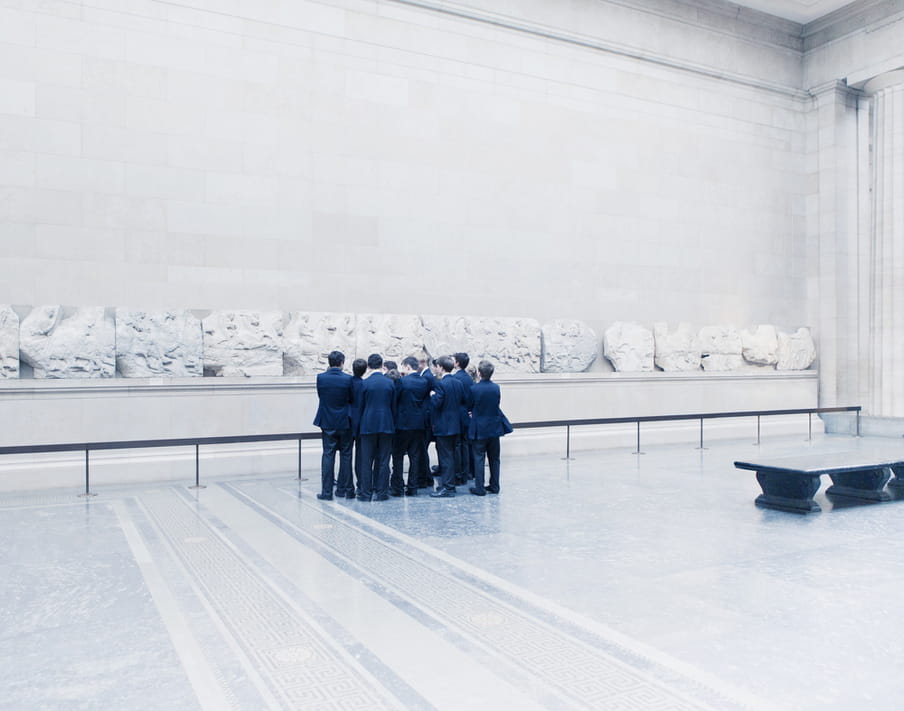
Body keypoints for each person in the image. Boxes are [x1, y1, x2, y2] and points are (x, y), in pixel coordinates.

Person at [312, 350, 354, 501]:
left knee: (328, 455)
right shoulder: (348, 379)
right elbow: (351, 399)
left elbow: (321, 396)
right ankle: (344, 489)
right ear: (342, 363)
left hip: (327, 421)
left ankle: (326, 492)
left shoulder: (321, 378)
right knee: (346, 455)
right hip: (344, 421)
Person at [469, 360, 512, 496]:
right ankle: (495, 485)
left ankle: (480, 487)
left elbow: (470, 405)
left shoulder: (474, 389)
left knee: (479, 458)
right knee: (494, 458)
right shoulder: (496, 388)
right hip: (494, 427)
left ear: (479, 373)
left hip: (480, 428)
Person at [390, 356, 432, 496]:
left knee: (398, 455)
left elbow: (395, 400)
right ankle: (412, 487)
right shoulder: (424, 382)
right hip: (419, 423)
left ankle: (398, 486)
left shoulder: (402, 382)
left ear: (408, 367)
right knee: (415, 455)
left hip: (402, 423)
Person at [358, 353, 396, 501]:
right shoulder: (390, 383)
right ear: (382, 365)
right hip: (386, 423)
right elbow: (393, 406)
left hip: (367, 424)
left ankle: (366, 493)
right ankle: (382, 493)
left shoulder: (364, 383)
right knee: (384, 460)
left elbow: (360, 407)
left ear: (368, 366)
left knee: (366, 461)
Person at [429, 355, 467, 498]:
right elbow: (463, 401)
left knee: (445, 458)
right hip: (455, 424)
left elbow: (436, 404)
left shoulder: (441, 384)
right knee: (451, 456)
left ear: (441, 367)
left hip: (443, 425)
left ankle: (448, 487)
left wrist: (432, 395)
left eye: (437, 366)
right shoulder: (458, 383)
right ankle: (450, 484)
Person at [452, 352, 475, 484]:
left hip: (457, 414)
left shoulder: (456, 379)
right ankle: (466, 473)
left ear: (457, 363)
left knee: (457, 445)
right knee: (465, 445)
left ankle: (459, 473)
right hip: (467, 413)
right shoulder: (469, 379)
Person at [348, 358, 367, 498]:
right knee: (361, 456)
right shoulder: (364, 385)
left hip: (348, 421)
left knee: (346, 455)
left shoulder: (347, 382)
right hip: (361, 422)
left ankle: (348, 486)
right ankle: (361, 484)